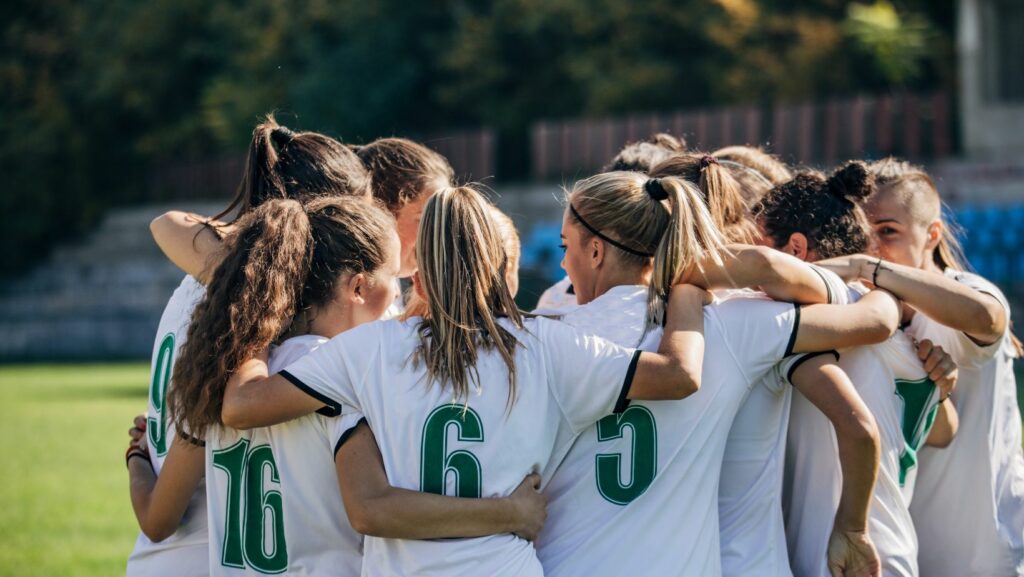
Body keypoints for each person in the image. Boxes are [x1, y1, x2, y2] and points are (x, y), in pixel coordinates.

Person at [220, 184, 718, 577]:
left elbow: (243, 406)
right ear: (500, 262)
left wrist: (263, 316)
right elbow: (678, 375)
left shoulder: (369, 349)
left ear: (422, 270)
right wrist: (686, 289)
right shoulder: (546, 345)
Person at [537, 170, 891, 577]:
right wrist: (878, 277)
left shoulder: (546, 334)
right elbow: (872, 318)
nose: (564, 262)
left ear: (596, 252)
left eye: (567, 247)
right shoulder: (730, 323)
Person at [125, 115, 371, 577]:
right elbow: (162, 515)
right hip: (198, 554)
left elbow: (168, 223)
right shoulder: (257, 327)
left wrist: (139, 459)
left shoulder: (206, 282)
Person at [754, 161, 960, 577]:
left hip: (847, 556)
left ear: (794, 250)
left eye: (759, 249)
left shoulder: (832, 316)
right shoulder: (889, 323)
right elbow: (945, 429)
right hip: (891, 550)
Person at [824, 158, 1024, 577]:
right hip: (906, 546)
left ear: (931, 234)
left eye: (888, 232)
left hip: (982, 549)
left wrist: (867, 268)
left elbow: (988, 318)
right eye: (864, 233)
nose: (873, 246)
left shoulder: (966, 292)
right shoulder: (863, 308)